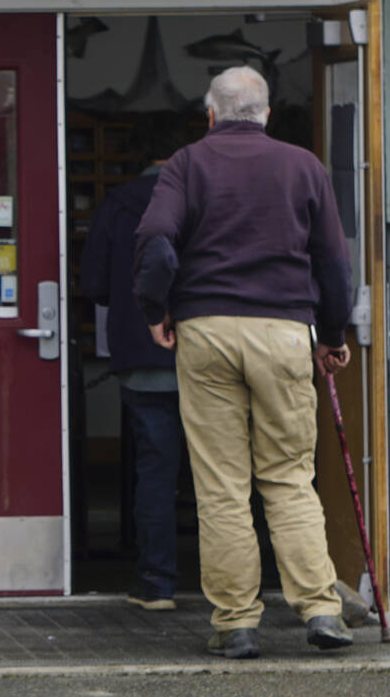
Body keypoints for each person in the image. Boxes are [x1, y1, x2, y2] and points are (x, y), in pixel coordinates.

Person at [131, 65, 355, 659]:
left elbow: (155, 239)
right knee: (288, 475)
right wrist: (331, 334)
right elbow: (333, 262)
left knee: (223, 485)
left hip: (204, 332)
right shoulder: (303, 165)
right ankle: (322, 610)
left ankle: (236, 624)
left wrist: (156, 309)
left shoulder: (185, 164)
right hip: (283, 331)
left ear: (210, 115)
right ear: (266, 115)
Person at [80, 125, 190, 611]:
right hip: (205, 353)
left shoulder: (120, 202)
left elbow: (95, 283)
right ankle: (238, 587)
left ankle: (157, 583)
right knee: (224, 474)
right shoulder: (200, 198)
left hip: (142, 357)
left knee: (155, 470)